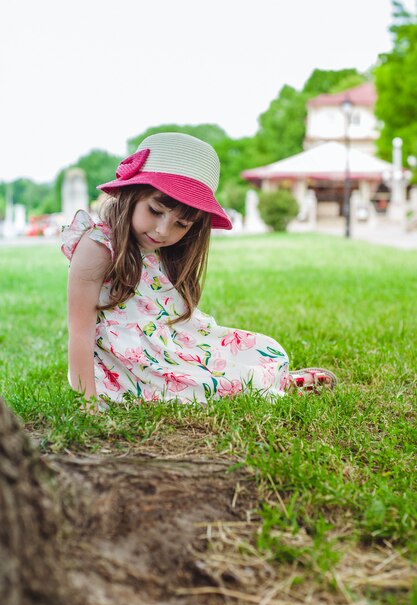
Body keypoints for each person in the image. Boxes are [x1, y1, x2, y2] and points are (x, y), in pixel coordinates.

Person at [62, 132, 336, 408]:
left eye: (181, 224)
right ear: (130, 194)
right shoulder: (97, 246)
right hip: (130, 366)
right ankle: (265, 385)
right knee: (193, 387)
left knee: (261, 350)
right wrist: (88, 402)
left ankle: (270, 379)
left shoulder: (150, 248)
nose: (162, 230)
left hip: (169, 346)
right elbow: (80, 331)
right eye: (155, 210)